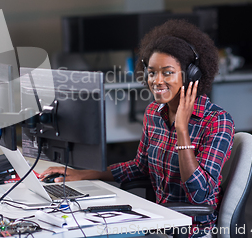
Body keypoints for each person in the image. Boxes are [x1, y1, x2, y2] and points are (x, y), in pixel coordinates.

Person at [40, 19, 235, 237]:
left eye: (167, 72)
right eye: (152, 72)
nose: (157, 81)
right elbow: (140, 168)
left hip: (192, 230)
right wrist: (81, 174)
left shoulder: (217, 121)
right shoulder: (154, 112)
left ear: (190, 76)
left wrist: (182, 130)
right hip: (158, 220)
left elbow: (199, 194)